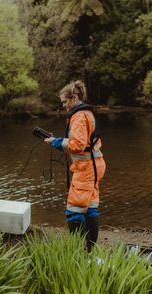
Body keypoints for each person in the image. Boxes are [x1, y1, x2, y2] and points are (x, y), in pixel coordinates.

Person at [44, 80, 106, 251]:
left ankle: (77, 251)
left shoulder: (78, 116)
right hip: (94, 165)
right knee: (91, 207)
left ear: (74, 97)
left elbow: (77, 144)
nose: (64, 106)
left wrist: (57, 142)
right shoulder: (86, 113)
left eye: (65, 102)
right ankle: (89, 250)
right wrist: (58, 141)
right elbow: (81, 142)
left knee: (75, 208)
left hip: (86, 168)